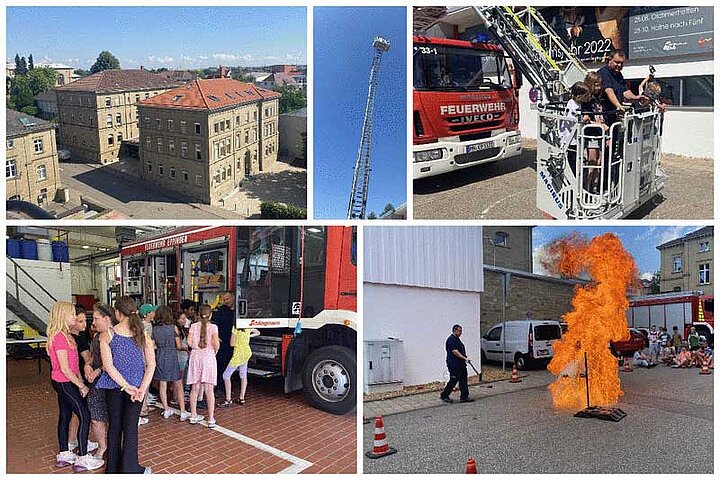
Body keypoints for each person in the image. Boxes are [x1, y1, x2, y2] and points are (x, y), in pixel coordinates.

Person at [96, 297, 155, 474]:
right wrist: (141, 389)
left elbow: (108, 366)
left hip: (115, 387)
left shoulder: (108, 334)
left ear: (117, 313)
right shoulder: (142, 333)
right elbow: (151, 364)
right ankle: (130, 469)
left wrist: (124, 385)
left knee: (114, 426)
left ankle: (112, 469)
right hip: (137, 388)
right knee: (130, 427)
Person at [46, 301, 104, 471]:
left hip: (68, 381)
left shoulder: (68, 336)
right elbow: (64, 368)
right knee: (84, 415)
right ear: (63, 316)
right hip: (64, 382)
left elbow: (74, 365)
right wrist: (81, 385)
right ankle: (83, 458)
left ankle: (64, 453)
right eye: (72, 314)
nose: (76, 316)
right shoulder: (58, 338)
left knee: (65, 415)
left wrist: (79, 381)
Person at [84, 304, 116, 461]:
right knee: (96, 417)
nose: (94, 322)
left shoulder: (115, 336)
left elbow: (115, 361)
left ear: (107, 318)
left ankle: (112, 446)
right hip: (95, 383)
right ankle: (102, 446)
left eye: (96, 318)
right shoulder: (97, 336)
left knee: (111, 416)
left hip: (110, 382)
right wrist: (87, 365)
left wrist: (99, 370)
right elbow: (92, 356)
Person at [152, 306, 191, 421]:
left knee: (163, 385)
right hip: (172, 356)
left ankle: (166, 409)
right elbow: (179, 346)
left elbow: (153, 344)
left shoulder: (155, 330)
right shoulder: (173, 328)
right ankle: (183, 411)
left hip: (160, 356)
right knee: (178, 384)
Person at [68, 306, 97, 456]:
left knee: (74, 412)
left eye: (85, 320)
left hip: (74, 376)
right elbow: (87, 359)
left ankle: (73, 439)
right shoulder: (79, 339)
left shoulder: (71, 336)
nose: (84, 324)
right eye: (80, 321)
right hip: (81, 377)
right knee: (83, 412)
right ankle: (81, 442)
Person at [187, 304, 220, 427]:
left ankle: (193, 415)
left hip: (195, 357)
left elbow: (189, 342)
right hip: (208, 357)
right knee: (209, 390)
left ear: (198, 314)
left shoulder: (193, 326)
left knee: (194, 388)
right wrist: (214, 350)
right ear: (210, 314)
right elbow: (216, 344)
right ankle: (211, 418)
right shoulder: (213, 327)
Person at [597, 49, 647, 121]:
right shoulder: (603, 73)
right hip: (604, 115)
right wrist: (618, 105)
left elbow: (625, 92)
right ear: (610, 60)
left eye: (621, 63)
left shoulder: (619, 75)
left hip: (614, 114)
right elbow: (609, 91)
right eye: (617, 62)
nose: (619, 65)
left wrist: (636, 98)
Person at [220, 326, 261, 407]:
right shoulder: (248, 326)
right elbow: (258, 332)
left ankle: (228, 399)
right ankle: (242, 398)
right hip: (246, 352)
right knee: (243, 374)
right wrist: (248, 336)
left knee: (226, 375)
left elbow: (232, 344)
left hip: (238, 354)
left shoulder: (235, 328)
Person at [440, 324, 473, 403]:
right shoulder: (451, 340)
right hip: (454, 364)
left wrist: (465, 357)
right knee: (453, 380)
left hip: (461, 364)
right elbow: (455, 352)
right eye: (459, 331)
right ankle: (444, 395)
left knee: (463, 379)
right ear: (455, 330)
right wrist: (465, 358)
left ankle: (464, 397)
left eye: (461, 331)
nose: (461, 333)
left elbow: (460, 350)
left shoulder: (457, 339)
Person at [212, 291, 236, 388]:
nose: (226, 301)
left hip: (235, 341)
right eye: (224, 299)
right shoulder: (221, 310)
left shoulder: (239, 310)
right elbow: (215, 324)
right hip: (223, 341)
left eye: (227, 299)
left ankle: (230, 385)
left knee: (232, 364)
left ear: (233, 297)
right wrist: (217, 337)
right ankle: (220, 386)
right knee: (221, 363)